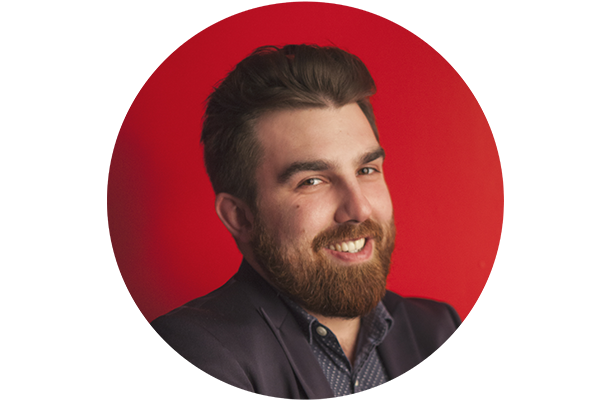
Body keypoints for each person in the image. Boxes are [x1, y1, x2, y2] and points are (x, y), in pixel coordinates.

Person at [151, 44, 491, 400]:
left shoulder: (438, 331)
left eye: (366, 170)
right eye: (312, 180)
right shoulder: (189, 353)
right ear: (240, 216)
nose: (359, 209)